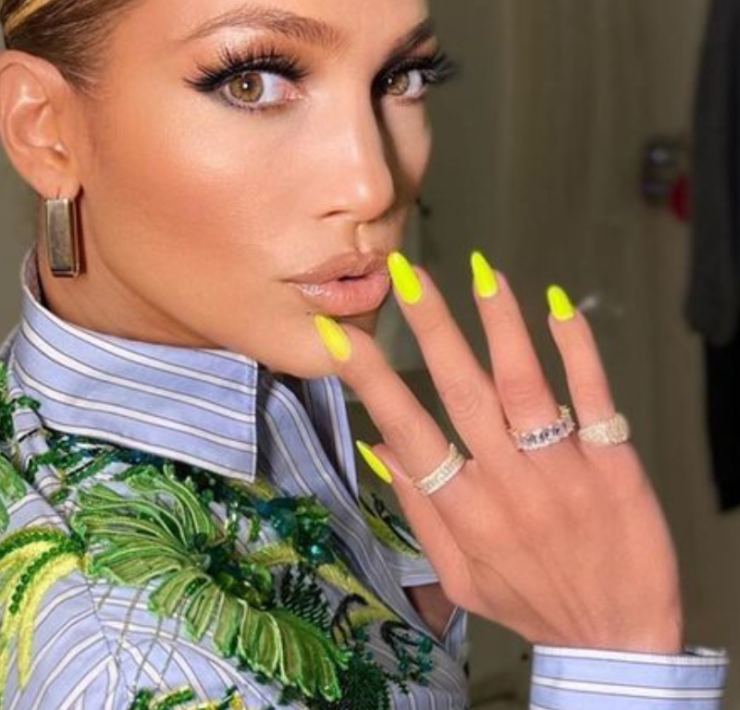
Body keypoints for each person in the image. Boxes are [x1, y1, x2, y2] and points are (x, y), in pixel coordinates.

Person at [0, 0, 728, 708]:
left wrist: (405, 610)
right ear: (45, 130)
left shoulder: (217, 380)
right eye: (251, 82)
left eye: (402, 77)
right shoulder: (142, 671)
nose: (373, 185)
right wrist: (617, 652)